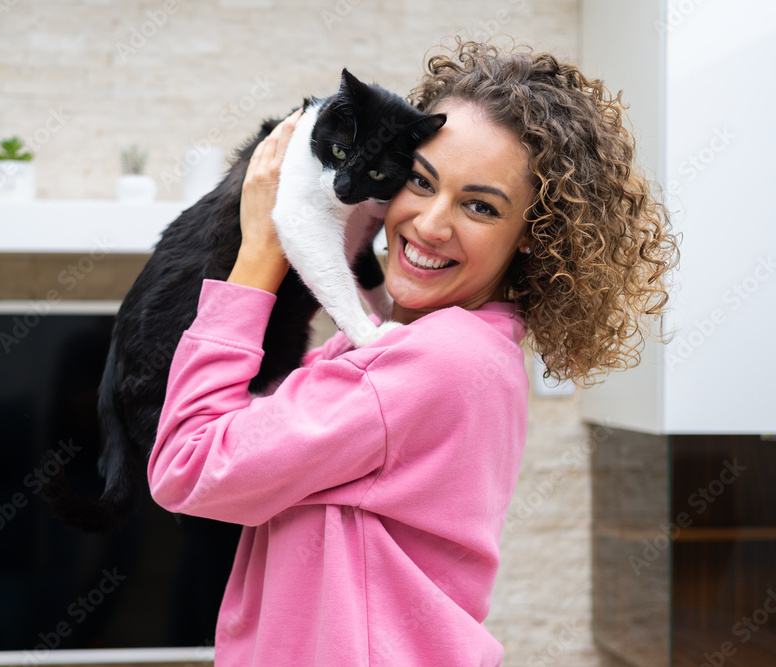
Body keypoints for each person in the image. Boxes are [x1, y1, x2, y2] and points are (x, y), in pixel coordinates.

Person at [148, 39, 678, 666]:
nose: (429, 224)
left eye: (480, 206)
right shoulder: (460, 348)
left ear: (533, 237)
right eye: (421, 182)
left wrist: (261, 251)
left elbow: (187, 463)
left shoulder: (435, 362)